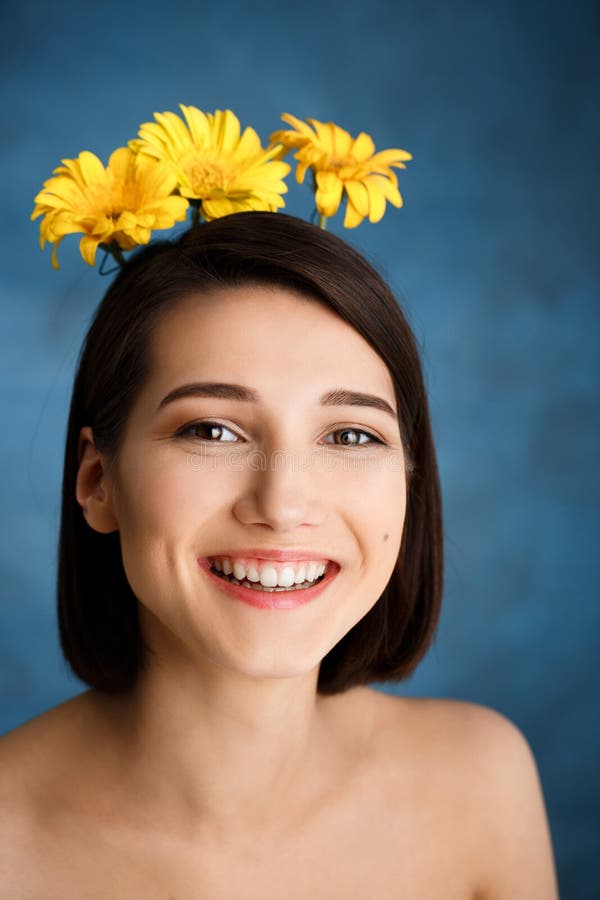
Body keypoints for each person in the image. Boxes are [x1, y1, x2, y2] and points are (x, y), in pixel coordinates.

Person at [0, 212, 559, 898]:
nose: (284, 503)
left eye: (351, 436)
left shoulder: (482, 780)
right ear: (98, 483)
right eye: (212, 429)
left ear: (409, 484)